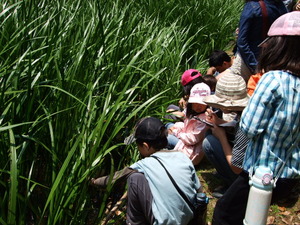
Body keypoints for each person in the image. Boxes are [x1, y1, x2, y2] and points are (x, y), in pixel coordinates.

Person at [212, 11, 300, 225]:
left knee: (224, 213)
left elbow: (249, 127)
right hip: (290, 174)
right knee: (250, 214)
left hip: (263, 172)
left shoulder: (273, 79)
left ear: (279, 45)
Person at [92, 117, 202, 225]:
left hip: (166, 222)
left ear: (146, 146)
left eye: (138, 145)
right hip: (189, 217)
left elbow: (112, 179)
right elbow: (199, 190)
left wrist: (93, 181)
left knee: (135, 178)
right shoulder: (182, 156)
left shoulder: (144, 165)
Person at [201, 73, 250, 198]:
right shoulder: (247, 112)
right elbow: (235, 125)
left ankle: (235, 185)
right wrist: (219, 122)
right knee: (210, 133)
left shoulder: (245, 125)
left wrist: (222, 137)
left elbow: (237, 167)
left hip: (249, 176)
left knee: (208, 143)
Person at [217, 0, 287, 82]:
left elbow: (242, 41)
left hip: (256, 59)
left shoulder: (253, 6)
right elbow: (242, 41)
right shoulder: (279, 7)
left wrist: (255, 65)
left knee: (232, 86)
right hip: (262, 59)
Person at [168, 83, 211, 165]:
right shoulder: (192, 113)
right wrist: (175, 128)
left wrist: (175, 132)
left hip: (191, 152)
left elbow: (192, 139)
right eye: (195, 103)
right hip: (185, 141)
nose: (198, 106)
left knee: (168, 137)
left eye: (202, 103)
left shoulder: (205, 119)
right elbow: (185, 126)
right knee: (169, 126)